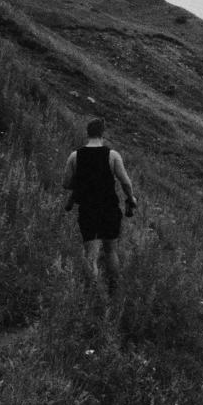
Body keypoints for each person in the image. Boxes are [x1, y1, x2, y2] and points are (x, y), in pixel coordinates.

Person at [64, 117, 137, 291]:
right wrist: (131, 198)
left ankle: (90, 292)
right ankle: (113, 288)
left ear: (87, 134)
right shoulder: (112, 155)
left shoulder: (75, 156)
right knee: (111, 250)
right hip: (109, 208)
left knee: (91, 254)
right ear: (103, 134)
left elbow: (66, 183)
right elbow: (126, 183)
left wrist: (83, 182)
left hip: (88, 209)